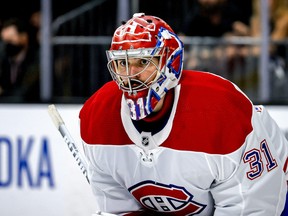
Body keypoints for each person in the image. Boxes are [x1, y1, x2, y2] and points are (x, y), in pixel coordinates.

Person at [79, 13, 288, 215]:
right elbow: (119, 206)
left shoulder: (221, 111)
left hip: (277, 195)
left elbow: (253, 207)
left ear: (171, 63)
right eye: (123, 63)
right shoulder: (97, 116)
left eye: (143, 62)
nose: (131, 75)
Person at [0, 18, 40, 102]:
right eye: (4, 41)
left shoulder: (36, 59)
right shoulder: (4, 60)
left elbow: (25, 90)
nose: (6, 44)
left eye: (10, 40)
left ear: (24, 37)